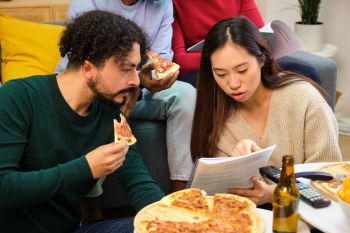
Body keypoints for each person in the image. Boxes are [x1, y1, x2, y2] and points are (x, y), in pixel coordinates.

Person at [0, 11, 165, 233]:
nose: (136, 80)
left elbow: (139, 182)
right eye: (126, 68)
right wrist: (85, 168)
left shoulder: (113, 116)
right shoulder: (19, 97)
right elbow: (3, 187)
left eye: (135, 68)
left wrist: (170, 222)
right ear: (88, 68)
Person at [191, 17, 342, 205]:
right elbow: (217, 196)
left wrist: (275, 193)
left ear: (262, 58)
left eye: (242, 70)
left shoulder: (305, 100)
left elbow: (330, 179)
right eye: (221, 74)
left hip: (305, 219)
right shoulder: (216, 116)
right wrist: (236, 166)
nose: (233, 83)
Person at [57, 0, 195, 192]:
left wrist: (139, 84)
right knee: (102, 99)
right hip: (95, 82)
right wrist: (125, 86)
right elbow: (86, 61)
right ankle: (90, 204)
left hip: (139, 84)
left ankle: (181, 193)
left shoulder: (163, 4)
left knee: (186, 94)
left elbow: (160, 58)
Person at [172, 0, 320, 87]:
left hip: (243, 56)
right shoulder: (173, 3)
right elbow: (179, 59)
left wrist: (241, 54)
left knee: (308, 73)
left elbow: (260, 35)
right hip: (203, 66)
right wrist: (225, 56)